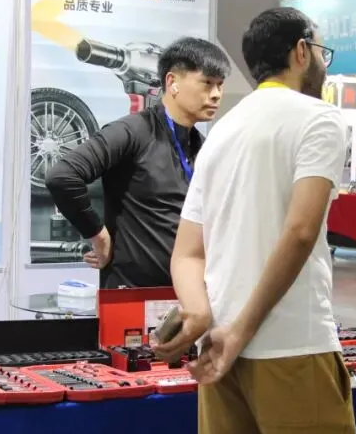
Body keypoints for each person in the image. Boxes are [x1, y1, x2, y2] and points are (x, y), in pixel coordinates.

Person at [157, 8, 356, 434]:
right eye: (321, 52)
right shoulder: (319, 119)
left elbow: (187, 252)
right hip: (293, 349)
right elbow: (301, 231)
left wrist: (203, 318)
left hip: (220, 359)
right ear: (302, 51)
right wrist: (241, 329)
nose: (322, 63)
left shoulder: (222, 132)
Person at [45, 37, 229, 288]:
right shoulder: (131, 132)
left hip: (187, 294)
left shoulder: (203, 147)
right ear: (172, 82)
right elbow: (62, 176)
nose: (216, 94)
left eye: (220, 85)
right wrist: (98, 235)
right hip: (132, 295)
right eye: (207, 83)